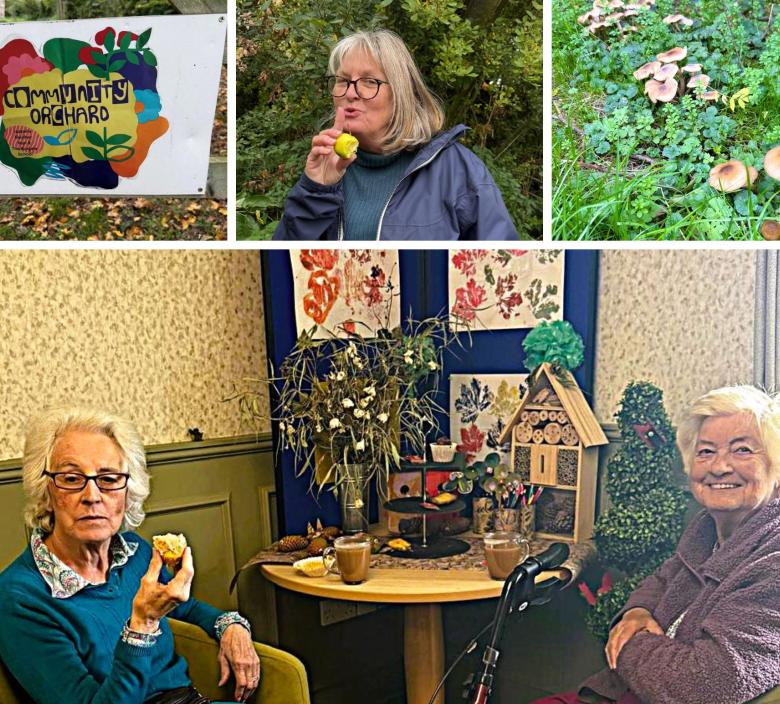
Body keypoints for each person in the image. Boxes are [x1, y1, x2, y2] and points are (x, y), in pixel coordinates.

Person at [533, 385, 780, 704]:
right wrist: (636, 612)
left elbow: (708, 685)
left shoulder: (773, 562)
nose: (719, 467)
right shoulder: (706, 529)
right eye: (706, 451)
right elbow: (663, 579)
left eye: (742, 450)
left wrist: (628, 641)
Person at [0, 407, 261, 704]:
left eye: (109, 479)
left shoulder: (134, 552)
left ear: (128, 490)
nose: (92, 496)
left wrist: (231, 627)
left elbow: (185, 608)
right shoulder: (18, 596)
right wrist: (142, 624)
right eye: (72, 479)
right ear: (45, 491)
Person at [273, 30, 519, 241]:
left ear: (401, 93)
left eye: (369, 81)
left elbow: (502, 265)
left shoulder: (457, 170)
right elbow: (286, 264)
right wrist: (315, 191)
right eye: (342, 80)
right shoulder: (326, 165)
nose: (351, 92)